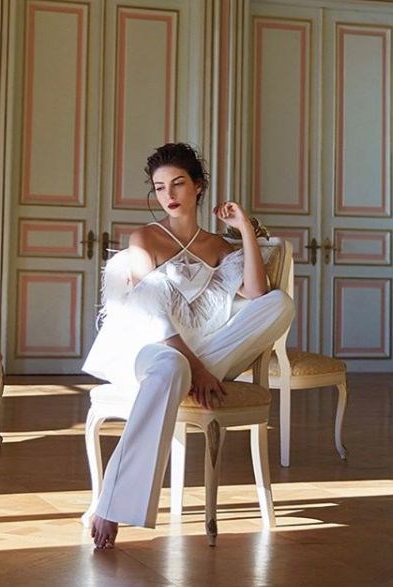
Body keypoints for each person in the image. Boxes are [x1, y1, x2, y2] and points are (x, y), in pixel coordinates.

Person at [82, 143, 294, 549]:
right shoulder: (145, 238)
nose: (169, 195)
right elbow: (150, 312)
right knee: (171, 366)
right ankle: (112, 503)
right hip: (150, 349)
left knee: (279, 303)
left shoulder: (217, 245)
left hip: (203, 353)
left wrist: (245, 230)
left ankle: (189, 372)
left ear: (198, 186)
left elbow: (256, 293)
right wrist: (196, 368)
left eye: (178, 183)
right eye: (160, 187)